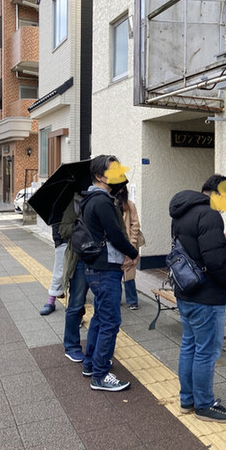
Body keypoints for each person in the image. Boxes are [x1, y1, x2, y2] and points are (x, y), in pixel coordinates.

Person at [169, 174, 226, 423]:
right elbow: (215, 262)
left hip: (186, 290)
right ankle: (204, 405)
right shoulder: (210, 215)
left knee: (189, 345)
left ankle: (188, 399)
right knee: (206, 352)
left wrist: (219, 241)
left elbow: (193, 249)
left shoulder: (182, 211)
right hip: (206, 296)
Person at [80, 155, 139, 391]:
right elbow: (115, 234)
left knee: (100, 318)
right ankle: (100, 374)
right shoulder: (102, 201)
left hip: (96, 268)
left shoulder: (89, 199)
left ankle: (90, 364)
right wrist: (133, 253)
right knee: (110, 322)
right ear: (99, 176)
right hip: (106, 270)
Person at [59, 193, 89, 363]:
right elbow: (63, 230)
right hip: (79, 261)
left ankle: (98, 348)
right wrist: (81, 225)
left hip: (102, 261)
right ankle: (71, 346)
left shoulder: (108, 200)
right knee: (76, 304)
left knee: (103, 306)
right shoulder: (74, 203)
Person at [116, 185, 144, 310]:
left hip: (128, 244)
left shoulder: (129, 205)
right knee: (115, 273)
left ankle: (132, 301)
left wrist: (131, 246)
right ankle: (116, 299)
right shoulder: (109, 204)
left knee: (129, 273)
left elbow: (135, 225)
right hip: (115, 244)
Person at [39, 224, 67, 315]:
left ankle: (76, 308)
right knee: (59, 270)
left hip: (82, 238)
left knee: (79, 275)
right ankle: (51, 300)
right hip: (63, 238)